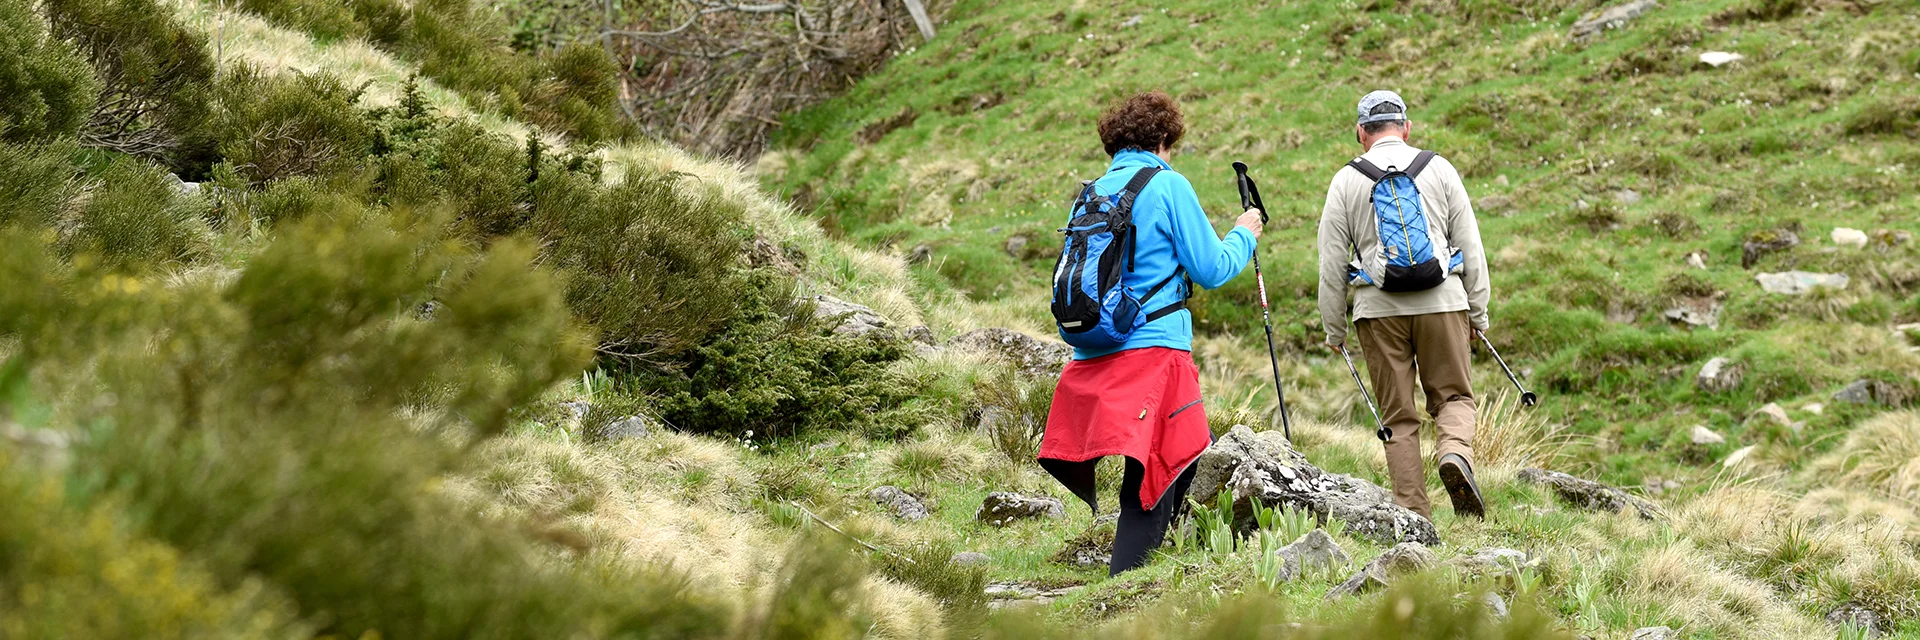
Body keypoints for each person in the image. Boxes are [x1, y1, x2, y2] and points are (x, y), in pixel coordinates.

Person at [1038, 91, 1264, 576]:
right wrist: (1245, 231)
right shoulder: (1168, 186)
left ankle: (1161, 565)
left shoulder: (1094, 190)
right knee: (1158, 471)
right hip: (1155, 351)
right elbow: (1212, 268)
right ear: (1163, 138)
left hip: (1093, 347)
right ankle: (1124, 594)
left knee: (1185, 452)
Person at [1316, 90, 1491, 520]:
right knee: (1453, 397)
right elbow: (1471, 245)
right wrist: (1478, 312)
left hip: (1378, 313)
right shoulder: (1440, 168)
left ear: (1361, 132)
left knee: (1398, 417)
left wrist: (1333, 330)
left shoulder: (1345, 180)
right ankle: (1453, 453)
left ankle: (1414, 515)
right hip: (1444, 303)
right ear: (1406, 128)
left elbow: (1331, 262)